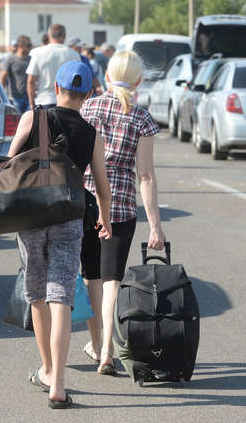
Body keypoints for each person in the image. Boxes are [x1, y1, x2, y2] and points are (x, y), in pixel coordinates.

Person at [0, 61, 113, 409]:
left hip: (31, 216)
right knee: (62, 296)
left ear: (56, 88)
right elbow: (101, 185)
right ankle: (59, 386)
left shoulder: (32, 118)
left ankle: (50, 372)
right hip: (69, 217)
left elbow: (6, 171)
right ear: (88, 94)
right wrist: (106, 219)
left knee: (37, 294)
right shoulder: (91, 132)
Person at [79, 50, 166, 375]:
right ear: (139, 80)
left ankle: (98, 344)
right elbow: (145, 176)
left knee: (91, 277)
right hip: (121, 206)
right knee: (113, 279)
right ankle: (107, 352)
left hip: (86, 201)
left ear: (106, 76)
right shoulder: (141, 118)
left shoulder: (89, 107)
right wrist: (155, 225)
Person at [26, 24, 80, 109]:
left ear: (48, 36)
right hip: (67, 102)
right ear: (64, 35)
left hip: (44, 100)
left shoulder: (38, 53)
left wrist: (31, 103)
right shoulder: (74, 55)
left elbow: (31, 81)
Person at [1, 35, 32, 113]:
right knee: (16, 123)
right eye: (28, 45)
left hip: (29, 98)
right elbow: (3, 78)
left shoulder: (31, 60)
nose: (30, 48)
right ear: (21, 46)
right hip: (15, 99)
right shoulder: (10, 60)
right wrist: (1, 95)